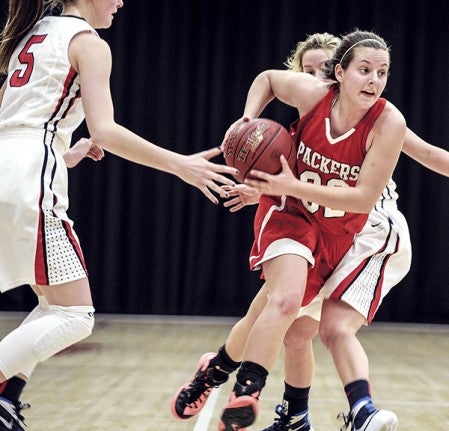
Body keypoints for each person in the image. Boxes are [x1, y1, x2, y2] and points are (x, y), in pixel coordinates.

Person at [171, 32, 449, 431]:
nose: (318, 76)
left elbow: (420, 159)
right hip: (301, 216)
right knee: (277, 311)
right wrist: (252, 141)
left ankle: (274, 402)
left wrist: (283, 185)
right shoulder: (309, 106)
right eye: (310, 70)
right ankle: (231, 381)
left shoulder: (384, 122)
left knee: (293, 325)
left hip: (356, 230)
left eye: (380, 72)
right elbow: (273, 116)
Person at [0, 1, 239, 429]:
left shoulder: (30, 34)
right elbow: (105, 130)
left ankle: (6, 401)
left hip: (12, 165)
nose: (121, 2)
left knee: (52, 305)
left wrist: (64, 154)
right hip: (30, 175)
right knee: (74, 316)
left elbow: (17, 120)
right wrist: (180, 163)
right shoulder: (88, 42)